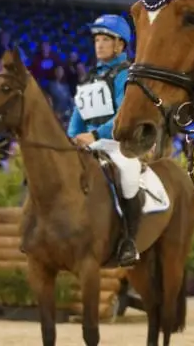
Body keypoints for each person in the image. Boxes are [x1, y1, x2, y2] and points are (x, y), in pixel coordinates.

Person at [67, 13, 140, 267]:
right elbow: (77, 116)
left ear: (120, 44)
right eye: (96, 39)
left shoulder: (126, 75)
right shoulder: (89, 77)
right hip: (87, 143)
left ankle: (129, 241)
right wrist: (69, 140)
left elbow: (124, 116)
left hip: (115, 143)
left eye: (105, 39)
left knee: (129, 177)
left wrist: (96, 135)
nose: (98, 44)